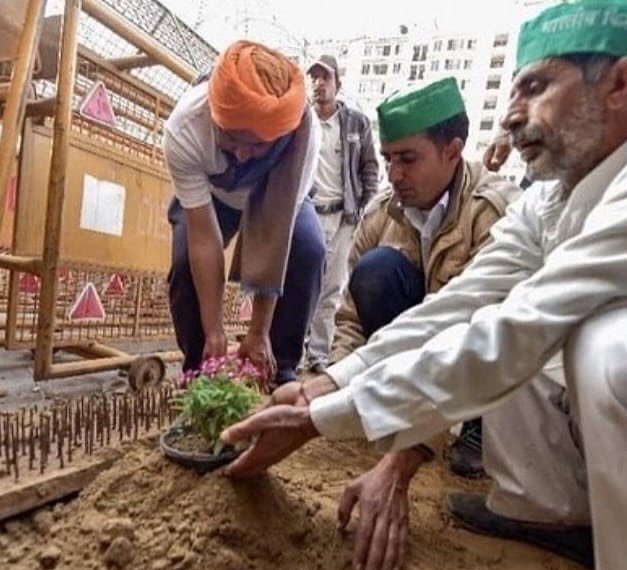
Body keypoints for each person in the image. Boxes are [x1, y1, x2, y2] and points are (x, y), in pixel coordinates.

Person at [220, 1, 627, 570]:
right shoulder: (544, 201)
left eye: (536, 87)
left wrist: (371, 440)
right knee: (472, 311)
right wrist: (329, 383)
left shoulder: (523, 203)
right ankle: (546, 510)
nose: (513, 116)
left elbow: (511, 335)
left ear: (620, 85)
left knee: (607, 348)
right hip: (476, 374)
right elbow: (456, 309)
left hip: (552, 383)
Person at [328, 77, 520, 477]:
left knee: (496, 320)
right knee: (376, 271)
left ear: (452, 151)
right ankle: (393, 405)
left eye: (408, 159)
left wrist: (417, 444)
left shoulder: (494, 212)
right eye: (387, 159)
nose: (394, 174)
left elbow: (488, 329)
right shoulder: (383, 212)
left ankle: (478, 427)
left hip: (478, 350)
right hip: (418, 347)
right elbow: (351, 317)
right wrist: (334, 386)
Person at [164, 40, 325, 385]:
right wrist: (214, 331)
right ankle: (199, 369)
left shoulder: (303, 139)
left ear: (281, 133)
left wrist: (258, 331)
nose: (240, 154)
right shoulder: (185, 128)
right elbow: (204, 240)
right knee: (184, 263)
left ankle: (277, 368)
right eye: (231, 137)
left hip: (275, 199)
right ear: (215, 115)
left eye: (257, 145)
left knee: (309, 250)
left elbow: (276, 234)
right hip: (214, 197)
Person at [304, 55, 379, 374]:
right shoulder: (301, 120)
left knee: (331, 289)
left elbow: (370, 166)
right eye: (315, 77)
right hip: (307, 213)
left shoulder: (355, 123)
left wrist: (366, 206)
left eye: (326, 77)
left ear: (338, 84)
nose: (319, 83)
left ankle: (318, 355)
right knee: (302, 284)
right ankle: (291, 352)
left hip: (344, 217)